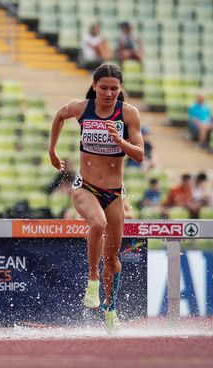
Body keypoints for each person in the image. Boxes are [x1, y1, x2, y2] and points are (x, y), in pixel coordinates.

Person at [48, 63, 144, 331]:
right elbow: (59, 115)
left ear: (120, 89)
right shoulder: (82, 108)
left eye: (114, 88)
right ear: (94, 85)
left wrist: (120, 141)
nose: (109, 93)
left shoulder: (129, 114)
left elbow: (139, 154)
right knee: (97, 224)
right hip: (85, 187)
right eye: (104, 88)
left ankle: (111, 310)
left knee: (112, 260)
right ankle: (92, 283)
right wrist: (52, 152)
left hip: (114, 193)